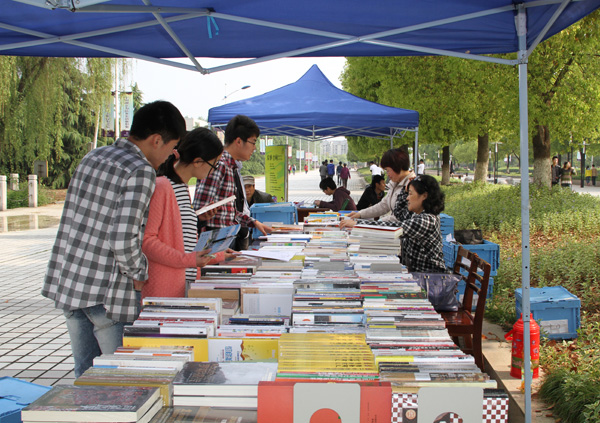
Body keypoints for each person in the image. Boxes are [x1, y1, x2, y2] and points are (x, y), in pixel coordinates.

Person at [42, 101, 187, 378]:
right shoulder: (140, 171)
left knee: (87, 374)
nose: (171, 155)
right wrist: (139, 273)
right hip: (107, 295)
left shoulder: (94, 156)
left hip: (70, 284)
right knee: (120, 379)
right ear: (157, 140)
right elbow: (123, 239)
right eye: (172, 147)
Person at [142, 127, 229, 300]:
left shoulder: (181, 188)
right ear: (197, 161)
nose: (214, 170)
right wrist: (188, 260)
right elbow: (147, 241)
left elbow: (186, 245)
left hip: (183, 285)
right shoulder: (163, 187)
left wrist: (219, 254)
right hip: (164, 289)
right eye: (215, 164)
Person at [193, 115, 272, 251]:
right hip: (213, 243)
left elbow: (228, 211)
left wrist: (253, 222)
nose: (254, 148)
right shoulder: (219, 165)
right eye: (253, 142)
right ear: (239, 141)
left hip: (224, 240)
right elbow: (200, 211)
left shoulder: (231, 167)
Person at [341, 174, 446, 273]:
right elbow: (398, 212)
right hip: (414, 272)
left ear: (424, 196)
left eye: (410, 194)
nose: (407, 198)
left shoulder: (427, 221)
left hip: (430, 278)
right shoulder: (415, 214)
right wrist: (404, 191)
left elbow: (394, 227)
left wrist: (358, 224)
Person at [346, 148, 414, 223]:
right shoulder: (395, 184)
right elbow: (383, 205)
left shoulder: (412, 186)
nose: (387, 174)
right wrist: (360, 214)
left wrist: (376, 222)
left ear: (397, 167)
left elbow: (399, 218)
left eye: (388, 170)